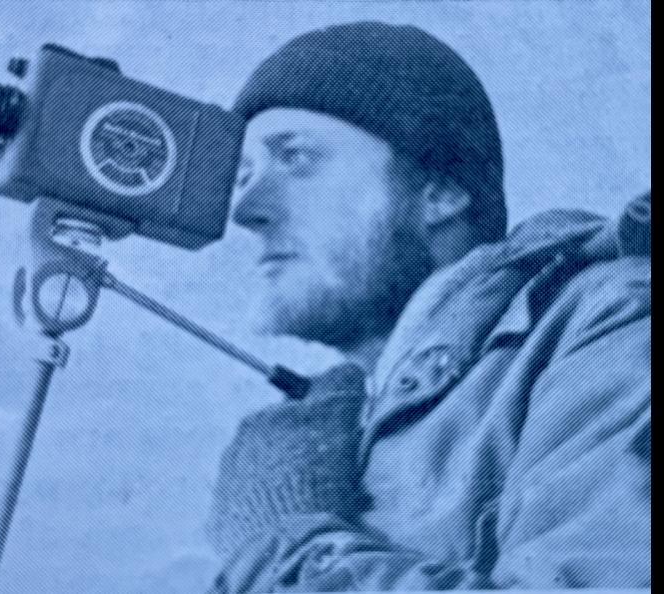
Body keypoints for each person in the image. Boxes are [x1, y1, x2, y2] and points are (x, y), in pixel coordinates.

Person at [204, 22, 651, 592]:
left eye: (296, 158)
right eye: (244, 175)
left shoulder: (609, 322)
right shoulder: (345, 423)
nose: (244, 208)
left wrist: (283, 550)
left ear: (441, 190)